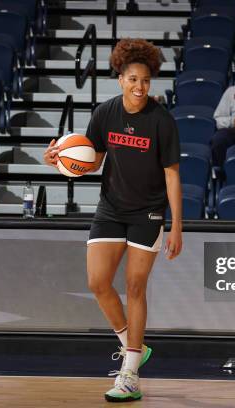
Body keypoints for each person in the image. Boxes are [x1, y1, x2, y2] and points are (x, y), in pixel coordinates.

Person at [43, 38, 183, 402]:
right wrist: (60, 162)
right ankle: (132, 344)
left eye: (146, 81)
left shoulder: (162, 121)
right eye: (133, 79)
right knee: (98, 282)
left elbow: (172, 175)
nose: (140, 87)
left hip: (147, 212)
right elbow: (91, 160)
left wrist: (177, 226)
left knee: (135, 287)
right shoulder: (104, 113)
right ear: (120, 78)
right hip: (111, 209)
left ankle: (130, 372)